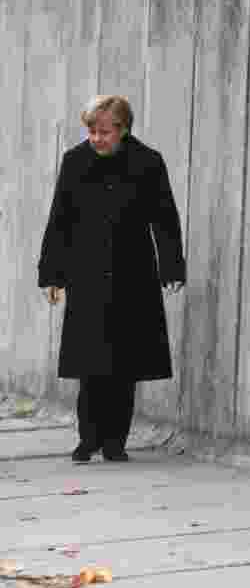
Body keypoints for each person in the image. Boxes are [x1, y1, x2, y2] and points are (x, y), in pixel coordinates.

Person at [38, 95, 186, 463]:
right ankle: (88, 438)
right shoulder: (75, 162)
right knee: (90, 363)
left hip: (132, 274)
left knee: (123, 363)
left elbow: (165, 219)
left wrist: (171, 268)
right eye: (91, 131)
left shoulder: (147, 163)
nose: (97, 139)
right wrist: (53, 274)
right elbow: (60, 220)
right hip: (86, 273)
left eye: (104, 132)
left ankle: (115, 441)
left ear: (123, 129)